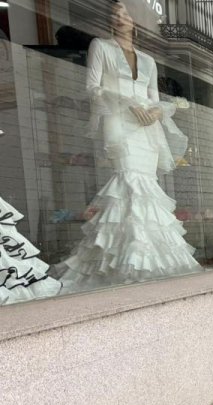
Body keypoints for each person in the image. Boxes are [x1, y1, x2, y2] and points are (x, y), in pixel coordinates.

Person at [56, 0, 200, 292]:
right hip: (120, 123)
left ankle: (143, 262)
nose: (118, 17)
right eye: (114, 13)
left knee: (144, 186)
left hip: (147, 126)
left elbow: (153, 96)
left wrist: (159, 111)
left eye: (124, 12)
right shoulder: (101, 46)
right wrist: (125, 102)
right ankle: (119, 266)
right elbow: (92, 88)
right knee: (129, 184)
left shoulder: (147, 60)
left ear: (135, 20)